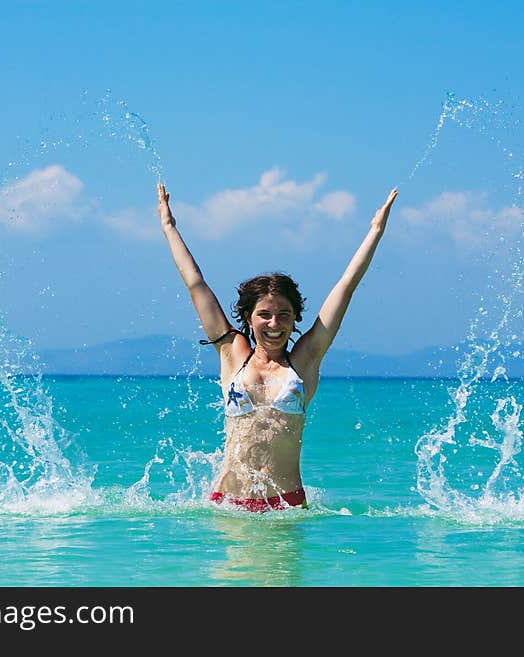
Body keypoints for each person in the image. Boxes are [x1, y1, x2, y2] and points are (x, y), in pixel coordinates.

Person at [158, 182, 398, 512]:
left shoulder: (304, 361)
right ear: (248, 317)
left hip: (286, 510)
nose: (274, 324)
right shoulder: (233, 353)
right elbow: (195, 283)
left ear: (296, 316)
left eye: (284, 315)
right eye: (265, 315)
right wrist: (169, 228)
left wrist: (375, 231)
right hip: (228, 506)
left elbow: (347, 285)